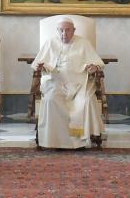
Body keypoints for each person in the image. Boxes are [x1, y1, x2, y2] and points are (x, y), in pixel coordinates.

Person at [31, 18, 105, 150]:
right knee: (50, 100)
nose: (64, 34)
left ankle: (79, 141)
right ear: (57, 31)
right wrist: (40, 66)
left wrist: (95, 67)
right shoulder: (50, 43)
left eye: (68, 30)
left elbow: (98, 64)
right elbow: (38, 64)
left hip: (79, 85)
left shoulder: (83, 43)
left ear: (74, 30)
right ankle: (56, 141)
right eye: (61, 30)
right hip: (55, 84)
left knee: (84, 102)